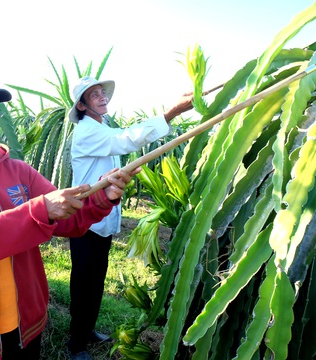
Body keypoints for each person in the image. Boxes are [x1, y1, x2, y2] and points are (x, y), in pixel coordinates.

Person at [0, 74, 137, 360]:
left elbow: (66, 220)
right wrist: (39, 209)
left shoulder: (18, 171)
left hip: (25, 321)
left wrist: (103, 196)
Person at [67, 76, 193, 359]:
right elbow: (127, 140)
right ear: (83, 106)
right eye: (94, 95)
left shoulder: (103, 128)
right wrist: (171, 112)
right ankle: (76, 345)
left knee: (96, 279)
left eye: (103, 93)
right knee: (83, 281)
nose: (102, 97)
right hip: (85, 220)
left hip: (101, 219)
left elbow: (122, 138)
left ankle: (86, 330)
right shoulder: (88, 131)